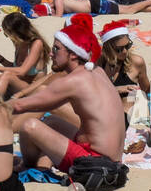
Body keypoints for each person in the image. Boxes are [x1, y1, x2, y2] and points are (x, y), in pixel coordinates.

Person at [9, 14, 126, 169]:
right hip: (115, 159)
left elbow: (19, 106)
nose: (51, 54)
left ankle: (26, 166)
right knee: (51, 122)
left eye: (56, 49)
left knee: (29, 126)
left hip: (95, 163)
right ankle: (37, 161)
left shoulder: (73, 81)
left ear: (73, 54)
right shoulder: (97, 71)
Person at [0, 12, 52, 97]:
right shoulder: (18, 43)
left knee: (7, 75)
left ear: (16, 32)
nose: (6, 36)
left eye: (7, 33)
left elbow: (22, 71)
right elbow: (14, 68)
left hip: (34, 88)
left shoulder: (36, 44)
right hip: (20, 84)